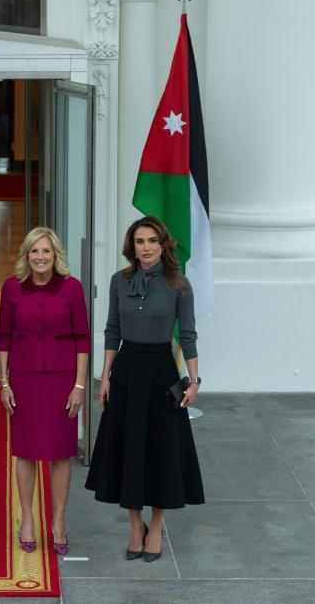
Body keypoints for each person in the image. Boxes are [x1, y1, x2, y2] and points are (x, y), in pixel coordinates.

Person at [85, 216, 204, 562]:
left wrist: (194, 380)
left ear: (163, 244)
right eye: (140, 241)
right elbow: (111, 330)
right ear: (132, 247)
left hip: (161, 372)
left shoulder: (179, 285)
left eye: (152, 241)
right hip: (126, 370)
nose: (146, 247)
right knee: (129, 449)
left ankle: (156, 525)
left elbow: (189, 335)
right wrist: (105, 375)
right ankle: (135, 526)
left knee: (160, 449)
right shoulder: (118, 282)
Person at [0, 227, 90, 556]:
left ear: (55, 256)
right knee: (25, 451)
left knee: (60, 452)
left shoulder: (72, 288)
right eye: (34, 251)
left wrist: (79, 385)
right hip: (23, 379)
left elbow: (83, 339)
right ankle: (27, 520)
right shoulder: (11, 287)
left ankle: (59, 521)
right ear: (26, 255)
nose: (40, 257)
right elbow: (3, 336)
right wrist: (4, 382)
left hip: (62, 380)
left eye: (46, 251)